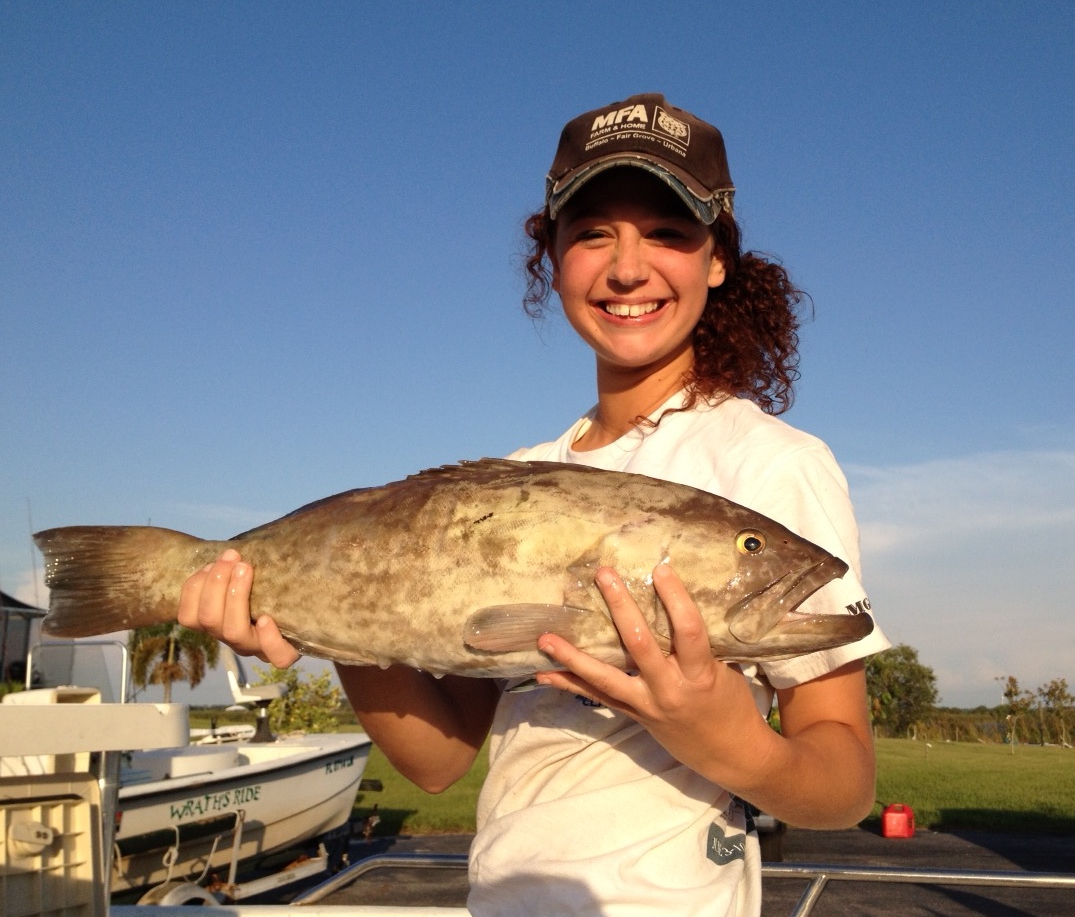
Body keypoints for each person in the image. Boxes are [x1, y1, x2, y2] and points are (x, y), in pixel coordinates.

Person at [179, 92, 890, 916]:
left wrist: (730, 741)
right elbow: (440, 760)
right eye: (593, 233)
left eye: (667, 231)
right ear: (550, 256)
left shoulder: (773, 464)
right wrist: (332, 616)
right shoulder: (519, 474)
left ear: (717, 259)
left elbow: (844, 784)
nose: (628, 267)